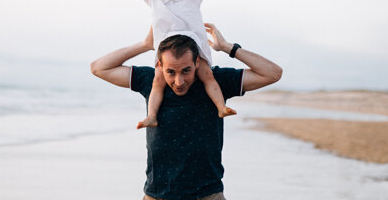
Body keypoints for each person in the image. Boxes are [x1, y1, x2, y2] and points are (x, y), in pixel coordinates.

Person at [90, 23, 283, 200]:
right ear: (160, 66)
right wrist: (144, 45)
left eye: (186, 71)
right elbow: (98, 68)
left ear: (197, 62)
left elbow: (273, 73)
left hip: (208, 195)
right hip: (158, 195)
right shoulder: (151, 81)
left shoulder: (217, 82)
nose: (179, 81)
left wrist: (227, 47)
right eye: (171, 72)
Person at [122, 0, 235, 129]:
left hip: (194, 49)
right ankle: (151, 116)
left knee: (207, 75)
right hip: (167, 53)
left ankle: (221, 107)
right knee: (157, 81)